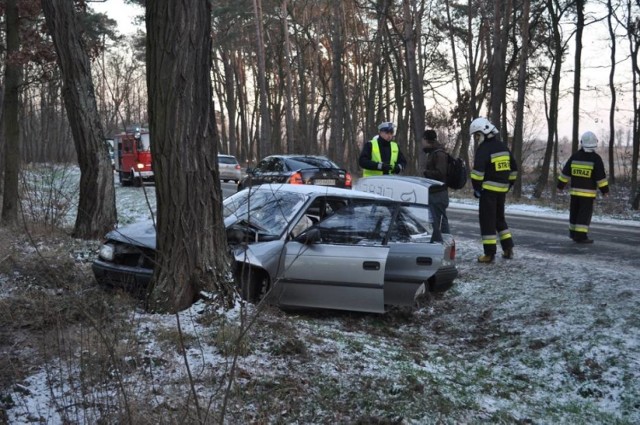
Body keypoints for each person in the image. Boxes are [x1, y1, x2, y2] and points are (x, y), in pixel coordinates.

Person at [469, 117, 518, 263]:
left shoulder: (484, 149)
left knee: (487, 222)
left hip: (488, 191)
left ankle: (489, 254)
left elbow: (477, 173)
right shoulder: (503, 147)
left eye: (477, 135)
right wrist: (509, 185)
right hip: (501, 191)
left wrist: (477, 189)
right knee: (499, 219)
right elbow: (514, 169)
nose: (477, 139)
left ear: (484, 132)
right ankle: (508, 248)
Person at [557, 131, 609, 243]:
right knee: (584, 214)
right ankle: (580, 236)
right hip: (587, 194)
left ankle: (573, 233)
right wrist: (605, 190)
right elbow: (600, 177)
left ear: (582, 142)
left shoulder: (575, 156)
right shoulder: (596, 159)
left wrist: (560, 186)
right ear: (595, 143)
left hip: (575, 192)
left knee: (574, 212)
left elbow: (565, 172)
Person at [421, 129, 450, 236]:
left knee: (441, 222)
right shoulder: (433, 153)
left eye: (423, 140)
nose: (422, 143)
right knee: (435, 221)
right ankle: (438, 241)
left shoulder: (439, 154)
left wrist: (426, 172)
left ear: (426, 140)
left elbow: (441, 173)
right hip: (435, 192)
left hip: (439, 193)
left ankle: (446, 243)